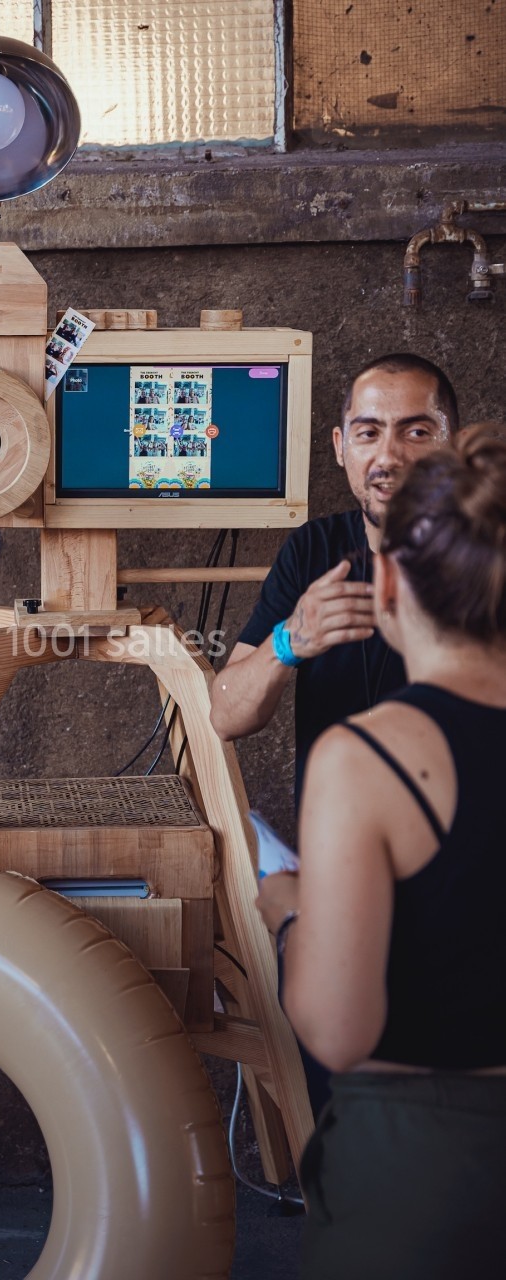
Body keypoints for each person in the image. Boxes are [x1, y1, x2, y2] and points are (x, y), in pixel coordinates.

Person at [256, 427, 506, 1279]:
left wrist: (290, 912)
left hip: (423, 1164)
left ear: (390, 580)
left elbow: (337, 1026)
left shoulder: (369, 758)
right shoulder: (307, 551)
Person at [210, 353, 459, 806]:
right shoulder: (312, 549)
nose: (388, 456)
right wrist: (287, 641)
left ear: (452, 446)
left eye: (417, 432)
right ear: (341, 446)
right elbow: (226, 716)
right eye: (368, 433)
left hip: (462, 857)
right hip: (334, 852)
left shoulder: (487, 558)